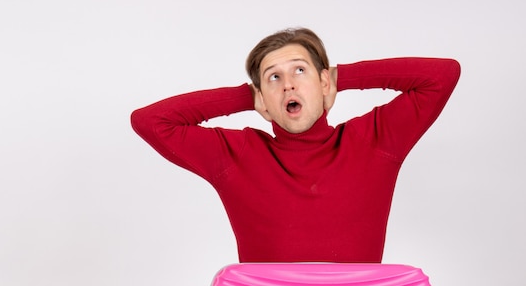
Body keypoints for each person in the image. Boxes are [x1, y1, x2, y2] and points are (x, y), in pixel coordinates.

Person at [131, 28, 460, 263]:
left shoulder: (374, 141)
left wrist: (342, 77)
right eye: (273, 77)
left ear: (323, 83)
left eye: (300, 71)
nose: (288, 83)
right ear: (262, 97)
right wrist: (249, 96)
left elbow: (442, 75)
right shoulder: (236, 156)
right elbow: (149, 121)